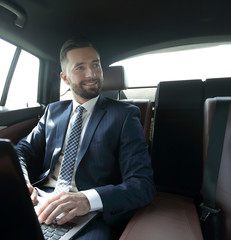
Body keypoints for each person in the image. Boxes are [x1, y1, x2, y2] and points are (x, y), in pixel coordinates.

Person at [16, 37, 156, 239]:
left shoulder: (125, 115)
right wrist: (23, 180)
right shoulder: (53, 111)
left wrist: (87, 200)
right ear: (65, 78)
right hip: (42, 200)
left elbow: (142, 185)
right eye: (80, 67)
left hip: (88, 213)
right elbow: (21, 149)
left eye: (95, 65)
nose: (92, 74)